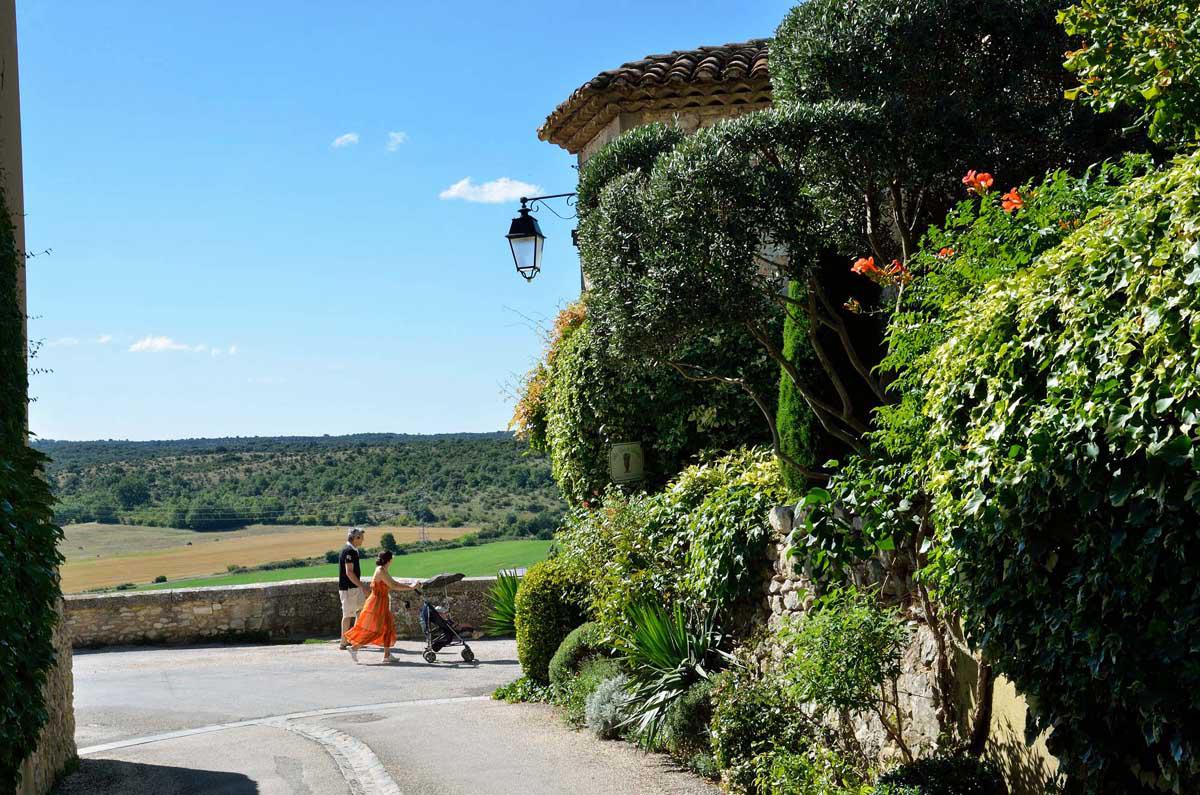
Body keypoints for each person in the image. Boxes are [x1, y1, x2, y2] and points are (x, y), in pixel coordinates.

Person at [345, 550, 417, 663]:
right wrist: (411, 587)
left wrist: (410, 586)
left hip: (382, 602)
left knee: (388, 627)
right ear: (390, 560)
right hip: (376, 603)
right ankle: (354, 648)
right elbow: (393, 585)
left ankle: (387, 656)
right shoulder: (381, 570)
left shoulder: (383, 569)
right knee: (375, 629)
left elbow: (393, 583)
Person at [338, 528, 370, 650]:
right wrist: (363, 587)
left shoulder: (352, 550)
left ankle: (354, 639)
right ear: (355, 538)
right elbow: (349, 573)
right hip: (348, 588)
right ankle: (343, 642)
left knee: (360, 611)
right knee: (347, 615)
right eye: (361, 537)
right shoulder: (349, 551)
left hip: (353, 588)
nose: (363, 540)